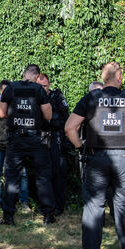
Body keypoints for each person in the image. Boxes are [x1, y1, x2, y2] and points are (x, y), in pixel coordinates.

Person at [65, 62, 125, 249]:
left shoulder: (90, 99)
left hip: (96, 159)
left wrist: (80, 147)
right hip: (123, 159)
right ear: (118, 78)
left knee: (93, 207)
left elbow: (70, 127)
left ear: (103, 77)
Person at [0, 64, 55, 225]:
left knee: (11, 178)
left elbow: (2, 113)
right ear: (37, 77)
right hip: (35, 139)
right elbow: (48, 115)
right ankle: (48, 216)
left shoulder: (9, 89)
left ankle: (8, 217)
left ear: (23, 74)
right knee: (43, 177)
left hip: (15, 139)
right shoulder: (39, 90)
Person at [0, 79, 29, 212]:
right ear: (0, 90)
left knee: (22, 174)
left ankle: (23, 202)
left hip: (15, 145)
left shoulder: (17, 105)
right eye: (4, 90)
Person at [36, 74, 70, 216]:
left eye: (45, 86)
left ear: (49, 85)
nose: (43, 89)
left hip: (56, 137)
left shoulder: (57, 97)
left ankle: (58, 206)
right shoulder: (34, 97)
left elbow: (66, 117)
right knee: (42, 173)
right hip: (41, 137)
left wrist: (66, 140)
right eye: (40, 86)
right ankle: (45, 204)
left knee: (58, 172)